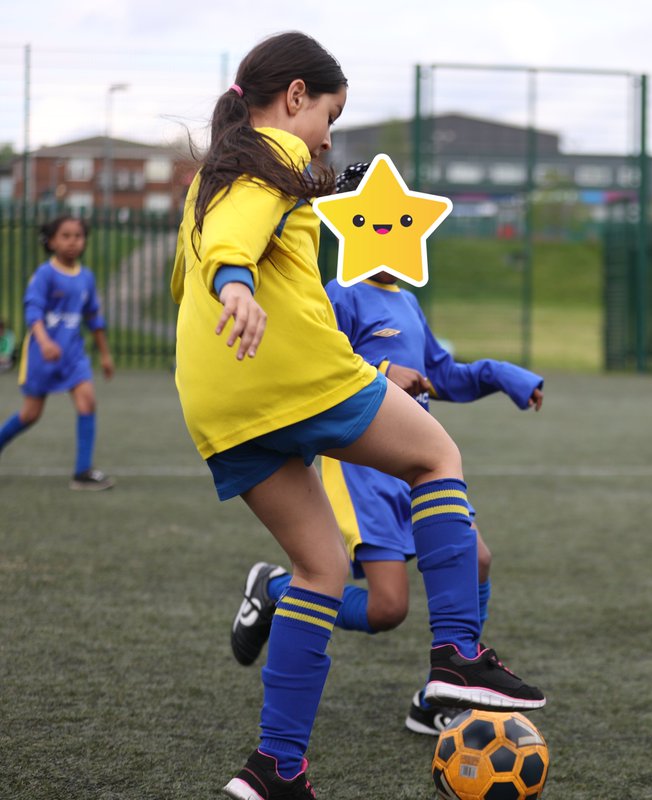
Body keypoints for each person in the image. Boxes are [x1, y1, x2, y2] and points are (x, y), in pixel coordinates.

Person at [170, 32, 543, 800]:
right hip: (291, 369)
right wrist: (239, 283)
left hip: (218, 399)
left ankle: (276, 768)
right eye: (329, 116)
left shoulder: (216, 173)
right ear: (296, 95)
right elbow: (234, 243)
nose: (328, 137)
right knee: (436, 456)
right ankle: (455, 657)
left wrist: (236, 276)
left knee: (319, 569)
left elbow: (206, 252)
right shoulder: (269, 153)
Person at [230, 162, 545, 738]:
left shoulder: (405, 300)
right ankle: (274, 589)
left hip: (415, 469)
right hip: (363, 472)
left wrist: (505, 376)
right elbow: (314, 369)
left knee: (477, 558)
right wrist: (379, 370)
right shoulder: (336, 295)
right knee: (386, 610)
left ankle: (440, 692)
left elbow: (441, 377)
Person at [0, 216, 115, 490]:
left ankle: (82, 472)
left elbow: (94, 319)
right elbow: (33, 312)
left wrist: (106, 355)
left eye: (78, 235)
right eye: (65, 235)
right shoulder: (45, 275)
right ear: (51, 241)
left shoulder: (86, 277)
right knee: (30, 414)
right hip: (42, 356)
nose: (73, 241)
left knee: (87, 402)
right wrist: (44, 342)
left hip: (73, 356)